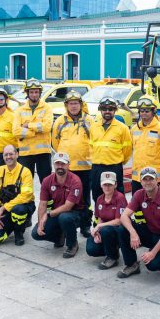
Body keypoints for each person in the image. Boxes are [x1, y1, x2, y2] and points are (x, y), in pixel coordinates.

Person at [116, 167, 160, 278]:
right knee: (123, 228)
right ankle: (132, 265)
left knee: (153, 265)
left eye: (151, 179)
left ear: (157, 180)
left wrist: (153, 253)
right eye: (145, 179)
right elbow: (124, 216)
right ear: (141, 182)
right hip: (151, 232)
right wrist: (133, 233)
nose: (148, 182)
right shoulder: (139, 194)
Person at [52, 90, 93, 237]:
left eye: (76, 103)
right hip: (66, 169)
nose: (74, 106)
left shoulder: (90, 121)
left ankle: (85, 225)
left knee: (85, 199)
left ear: (81, 105)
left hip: (85, 167)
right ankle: (66, 226)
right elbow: (55, 142)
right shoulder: (59, 121)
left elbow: (94, 141)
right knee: (65, 198)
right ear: (66, 105)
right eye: (71, 103)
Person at [31, 152, 84, 258]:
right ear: (54, 164)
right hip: (57, 213)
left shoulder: (75, 181)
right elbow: (42, 204)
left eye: (63, 164)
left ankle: (72, 244)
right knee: (36, 234)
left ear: (68, 165)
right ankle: (59, 237)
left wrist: (48, 214)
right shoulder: (47, 181)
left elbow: (68, 207)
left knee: (65, 218)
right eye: (57, 163)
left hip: (76, 213)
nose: (60, 166)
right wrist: (40, 223)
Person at [0, 144, 35, 246]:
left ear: (17, 154)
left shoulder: (25, 172)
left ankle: (19, 232)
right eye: (6, 155)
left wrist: (4, 208)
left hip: (22, 206)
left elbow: (26, 196)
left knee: (19, 210)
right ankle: (12, 224)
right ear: (3, 156)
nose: (8, 157)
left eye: (11, 154)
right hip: (5, 209)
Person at [89, 97, 131, 210]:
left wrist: (118, 161)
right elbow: (91, 147)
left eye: (110, 109)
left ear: (115, 110)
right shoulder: (94, 127)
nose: (107, 111)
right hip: (97, 167)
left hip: (114, 167)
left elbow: (127, 150)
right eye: (104, 109)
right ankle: (98, 217)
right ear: (100, 110)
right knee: (96, 194)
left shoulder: (123, 128)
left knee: (118, 196)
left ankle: (118, 217)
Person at [13, 79, 54, 185]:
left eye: (36, 92)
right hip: (25, 153)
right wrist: (34, 132)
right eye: (31, 92)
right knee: (25, 184)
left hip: (43, 153)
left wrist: (28, 125)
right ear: (27, 93)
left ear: (40, 93)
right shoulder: (19, 110)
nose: (34, 94)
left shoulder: (47, 108)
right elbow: (16, 131)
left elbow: (47, 127)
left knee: (46, 183)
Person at [86, 171, 128, 269]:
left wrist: (100, 226)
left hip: (119, 231)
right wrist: (97, 231)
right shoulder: (100, 199)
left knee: (106, 230)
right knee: (91, 249)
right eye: (105, 184)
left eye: (110, 184)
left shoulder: (120, 198)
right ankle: (111, 248)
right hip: (105, 230)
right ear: (101, 185)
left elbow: (119, 221)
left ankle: (112, 257)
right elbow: (100, 218)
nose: (107, 187)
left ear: (115, 184)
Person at [130, 95, 160, 193]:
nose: (144, 113)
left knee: (155, 202)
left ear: (153, 111)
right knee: (137, 202)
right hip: (137, 178)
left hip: (154, 179)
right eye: (142, 111)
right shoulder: (134, 129)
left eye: (147, 111)